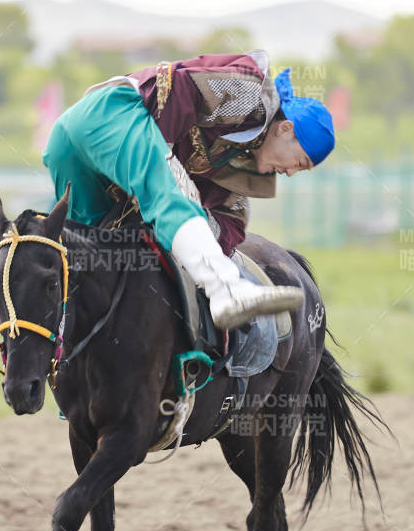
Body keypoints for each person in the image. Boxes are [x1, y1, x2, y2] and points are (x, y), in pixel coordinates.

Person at [41, 51, 336, 330]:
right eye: (300, 162)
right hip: (106, 113)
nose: (291, 173)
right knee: (169, 189)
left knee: (86, 261)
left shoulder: (241, 182)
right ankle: (227, 290)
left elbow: (227, 227)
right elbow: (179, 85)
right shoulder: (251, 96)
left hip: (70, 152)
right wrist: (166, 164)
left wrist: (187, 225)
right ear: (285, 129)